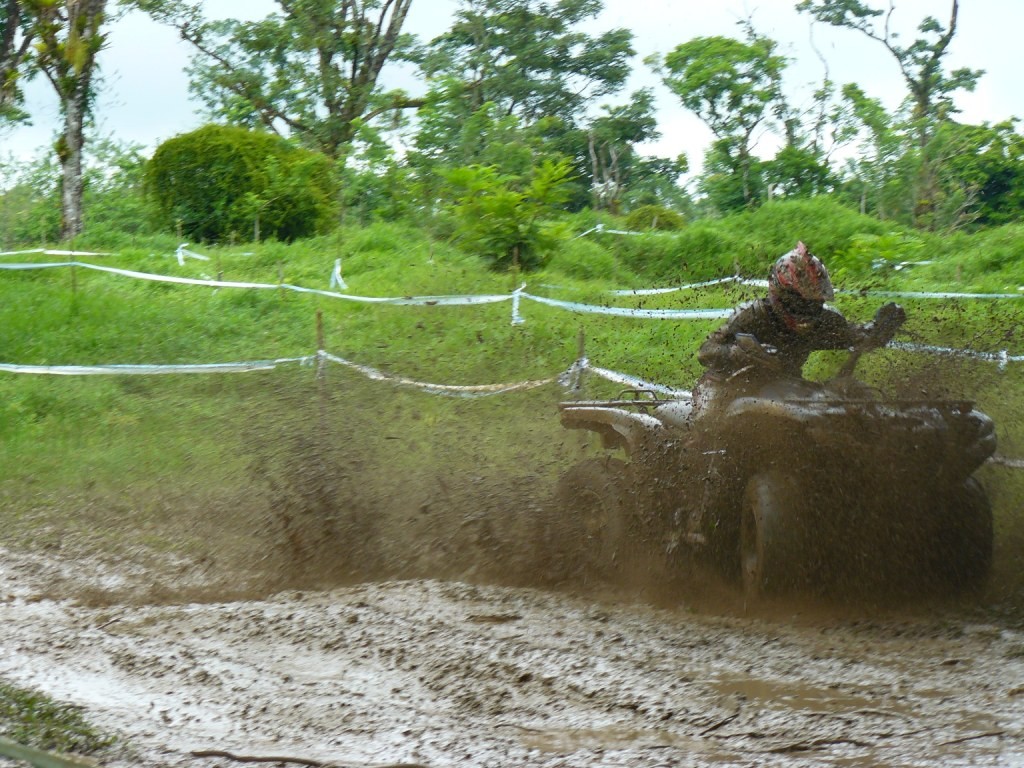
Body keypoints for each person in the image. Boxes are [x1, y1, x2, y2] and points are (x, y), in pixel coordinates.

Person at [692, 241, 904, 416]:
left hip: (786, 387)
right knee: (707, 425)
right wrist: (738, 353)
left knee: (850, 401)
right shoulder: (752, 315)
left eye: (814, 303)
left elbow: (859, 338)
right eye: (800, 303)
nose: (807, 310)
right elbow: (706, 351)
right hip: (729, 385)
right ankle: (692, 460)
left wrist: (880, 329)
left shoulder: (825, 320)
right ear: (780, 294)